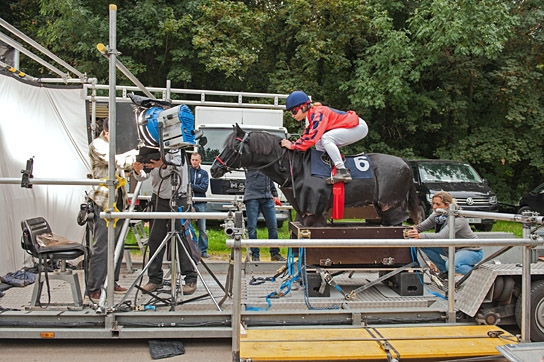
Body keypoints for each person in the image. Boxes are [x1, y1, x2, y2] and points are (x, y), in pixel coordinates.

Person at [133, 151, 198, 295]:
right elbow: (145, 176)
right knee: (155, 239)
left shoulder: (177, 150)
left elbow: (179, 165)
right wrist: (138, 171)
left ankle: (190, 278)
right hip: (159, 199)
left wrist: (163, 163)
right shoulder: (151, 149)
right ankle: (154, 278)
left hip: (179, 198)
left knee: (184, 240)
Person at [86, 118, 136, 300]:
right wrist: (136, 155)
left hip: (118, 201)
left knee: (118, 244)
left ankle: (111, 281)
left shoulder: (114, 146)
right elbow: (116, 161)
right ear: (106, 132)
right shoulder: (98, 145)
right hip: (103, 202)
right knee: (102, 247)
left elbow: (124, 169)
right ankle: (93, 288)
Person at [280, 90, 368, 184]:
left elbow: (311, 139)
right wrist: (295, 144)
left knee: (326, 138)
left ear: (304, 107)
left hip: (358, 126)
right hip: (352, 126)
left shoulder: (318, 114)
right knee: (320, 142)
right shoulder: (312, 115)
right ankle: (325, 168)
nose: (292, 116)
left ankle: (342, 171)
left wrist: (292, 145)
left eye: (294, 111)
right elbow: (307, 135)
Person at [407, 191, 483, 278]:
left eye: (438, 204)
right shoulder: (438, 215)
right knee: (423, 244)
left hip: (470, 250)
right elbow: (420, 228)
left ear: (447, 205)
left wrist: (420, 236)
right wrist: (411, 230)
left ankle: (478, 274)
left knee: (452, 265)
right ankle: (444, 271)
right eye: (433, 204)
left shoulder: (458, 219)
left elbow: (442, 237)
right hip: (452, 248)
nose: (434, 207)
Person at [244, 170, 286, 262]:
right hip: (252, 197)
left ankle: (274, 253)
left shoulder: (265, 161)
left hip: (267, 197)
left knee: (273, 226)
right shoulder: (249, 160)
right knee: (252, 228)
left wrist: (274, 194)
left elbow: (270, 178)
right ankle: (255, 255)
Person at [189, 153, 210, 258]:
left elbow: (204, 188)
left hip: (201, 202)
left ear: (200, 161)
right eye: (192, 160)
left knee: (202, 228)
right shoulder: (188, 172)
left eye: (196, 160)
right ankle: (192, 247)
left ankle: (203, 250)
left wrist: (191, 186)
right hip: (189, 202)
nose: (194, 162)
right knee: (188, 226)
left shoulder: (204, 173)